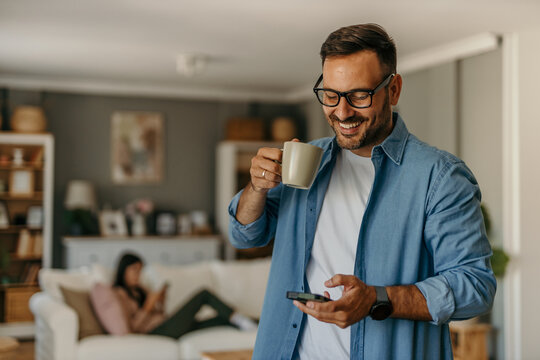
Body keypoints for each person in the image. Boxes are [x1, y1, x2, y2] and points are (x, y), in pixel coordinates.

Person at [228, 23, 496, 360]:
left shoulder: (439, 177)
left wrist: (377, 299)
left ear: (393, 89)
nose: (341, 112)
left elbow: (475, 286)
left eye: (359, 95)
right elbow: (245, 235)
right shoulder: (311, 160)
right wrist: (257, 187)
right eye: (330, 94)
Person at [112, 253, 257, 338]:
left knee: (220, 319)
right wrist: (149, 306)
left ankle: (256, 324)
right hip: (156, 332)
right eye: (134, 270)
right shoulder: (120, 294)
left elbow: (159, 314)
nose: (138, 275)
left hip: (166, 324)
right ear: (123, 270)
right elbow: (133, 327)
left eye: (140, 270)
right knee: (203, 295)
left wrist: (160, 302)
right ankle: (241, 319)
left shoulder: (140, 290)